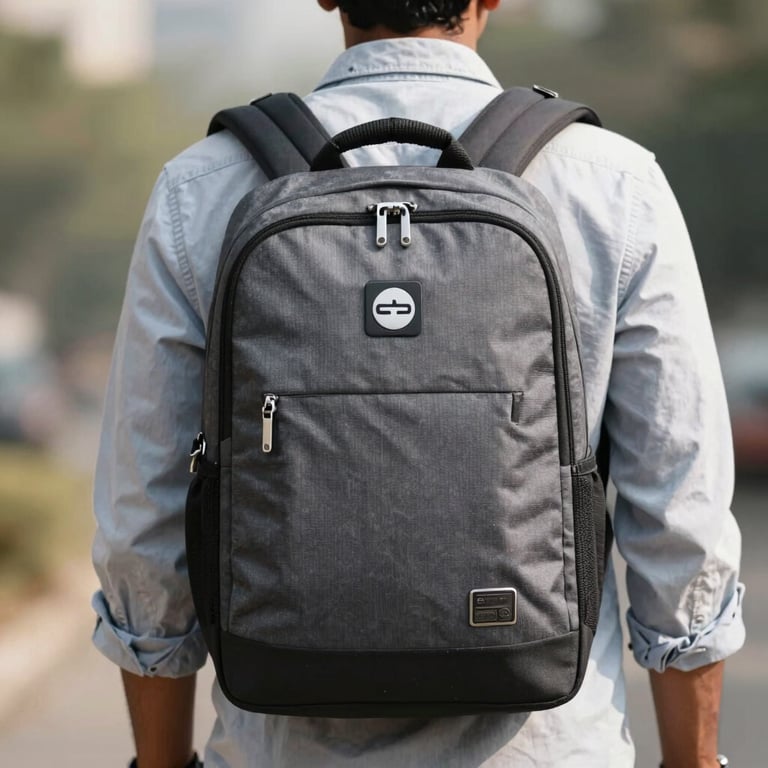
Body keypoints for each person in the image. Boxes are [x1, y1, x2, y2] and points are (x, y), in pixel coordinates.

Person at [91, 2, 745, 766]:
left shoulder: (200, 187)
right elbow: (681, 507)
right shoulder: (612, 182)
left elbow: (146, 512)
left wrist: (161, 762)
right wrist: (693, 759)